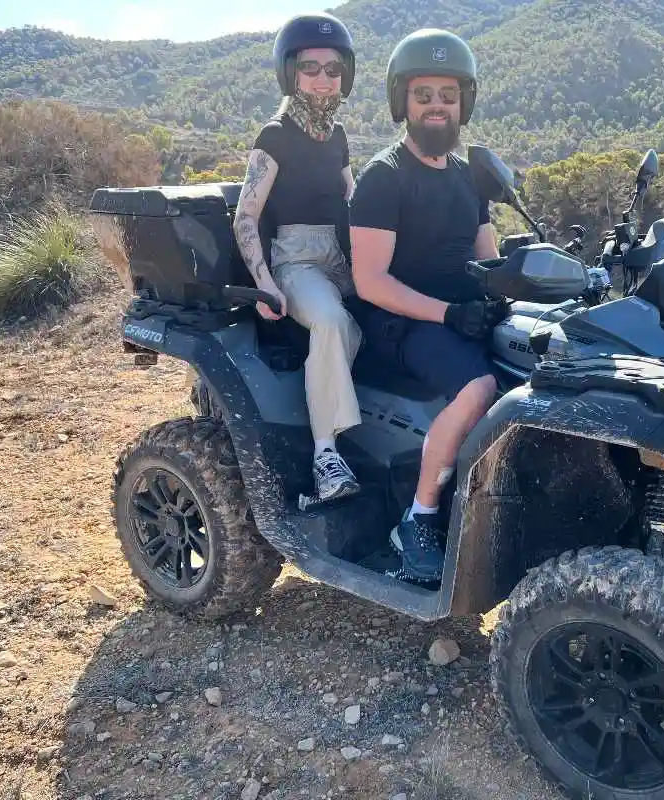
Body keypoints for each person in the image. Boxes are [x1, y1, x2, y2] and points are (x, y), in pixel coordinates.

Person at [348, 28, 506, 583]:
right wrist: (447, 314)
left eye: (448, 95)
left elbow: (490, 258)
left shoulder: (469, 177)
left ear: (464, 103)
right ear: (402, 102)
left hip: (459, 313)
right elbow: (369, 281)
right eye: (424, 96)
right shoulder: (383, 178)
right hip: (402, 321)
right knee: (480, 387)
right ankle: (419, 518)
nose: (436, 107)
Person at [233, 12, 363, 505]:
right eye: (311, 67)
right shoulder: (275, 136)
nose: (323, 79)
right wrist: (265, 281)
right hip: (296, 259)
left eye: (333, 69)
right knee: (331, 321)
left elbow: (351, 198)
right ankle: (325, 455)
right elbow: (246, 217)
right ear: (290, 72)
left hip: (342, 254)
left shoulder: (338, 136)